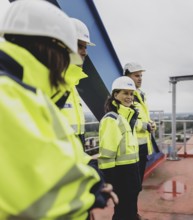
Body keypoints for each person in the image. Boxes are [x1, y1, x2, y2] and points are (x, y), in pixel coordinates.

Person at [0, 1, 117, 219]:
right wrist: (89, 192)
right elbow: (33, 196)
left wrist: (90, 175)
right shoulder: (8, 93)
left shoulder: (30, 92)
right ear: (53, 47)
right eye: (71, 51)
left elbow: (58, 147)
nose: (78, 57)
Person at [98, 76, 141, 220]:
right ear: (115, 95)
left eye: (131, 94)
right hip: (121, 175)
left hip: (132, 171)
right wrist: (110, 181)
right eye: (125, 93)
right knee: (123, 212)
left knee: (131, 209)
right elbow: (107, 154)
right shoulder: (112, 119)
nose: (129, 97)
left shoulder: (127, 117)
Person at [58, 17, 95, 147]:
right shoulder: (49, 83)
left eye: (85, 47)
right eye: (79, 45)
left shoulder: (71, 84)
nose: (85, 52)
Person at [123, 62, 156, 182]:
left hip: (142, 146)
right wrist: (144, 126)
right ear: (127, 77)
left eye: (141, 76)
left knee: (138, 183)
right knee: (131, 185)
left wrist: (151, 124)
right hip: (131, 147)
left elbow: (143, 117)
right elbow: (124, 121)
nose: (140, 79)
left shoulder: (140, 95)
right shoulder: (124, 95)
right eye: (137, 76)